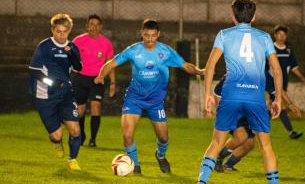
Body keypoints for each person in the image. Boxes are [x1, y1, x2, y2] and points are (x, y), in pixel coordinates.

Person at [186, 0, 283, 184]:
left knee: (216, 142)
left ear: (233, 16)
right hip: (255, 98)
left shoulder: (224, 35)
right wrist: (278, 99)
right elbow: (276, 70)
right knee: (266, 146)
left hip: (230, 95)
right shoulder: (265, 38)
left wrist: (208, 95)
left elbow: (210, 66)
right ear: (254, 17)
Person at [94, 19, 204, 174]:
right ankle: (136, 166)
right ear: (142, 34)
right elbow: (111, 63)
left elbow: (185, 65)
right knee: (127, 135)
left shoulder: (165, 52)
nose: (150, 39)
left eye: (153, 35)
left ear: (158, 34)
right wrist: (100, 75)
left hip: (155, 101)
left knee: (164, 137)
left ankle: (160, 155)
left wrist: (200, 71)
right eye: (146, 35)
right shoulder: (133, 51)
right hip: (134, 98)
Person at [213, 75, 302, 172]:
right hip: (232, 110)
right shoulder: (235, 71)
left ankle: (228, 166)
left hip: (249, 113)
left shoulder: (262, 73)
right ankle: (217, 157)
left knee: (249, 145)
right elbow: (217, 92)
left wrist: (290, 104)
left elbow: (277, 89)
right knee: (241, 136)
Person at [28, 13, 82, 170]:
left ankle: (72, 160)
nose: (61, 35)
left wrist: (71, 54)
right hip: (45, 96)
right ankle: (57, 143)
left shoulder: (72, 47)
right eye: (58, 31)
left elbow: (78, 68)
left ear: (69, 31)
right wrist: (52, 82)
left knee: (75, 129)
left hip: (66, 94)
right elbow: (34, 71)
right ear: (52, 30)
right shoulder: (44, 46)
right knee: (56, 136)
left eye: (64, 32)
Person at [72, 14, 115, 147]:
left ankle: (93, 140)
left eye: (97, 24)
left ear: (101, 27)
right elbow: (70, 59)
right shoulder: (78, 41)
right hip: (81, 78)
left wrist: (113, 83)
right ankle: (82, 135)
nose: (94, 27)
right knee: (80, 109)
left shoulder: (106, 43)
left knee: (96, 106)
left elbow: (111, 64)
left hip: (98, 79)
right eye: (91, 24)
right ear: (87, 26)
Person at [266, 25, 305, 139]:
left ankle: (253, 128)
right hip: (272, 82)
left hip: (284, 82)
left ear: (286, 36)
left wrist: (301, 77)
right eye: (279, 34)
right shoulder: (270, 49)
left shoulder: (288, 51)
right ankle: (291, 132)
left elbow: (294, 67)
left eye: (283, 35)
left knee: (271, 107)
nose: (281, 37)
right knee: (281, 105)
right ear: (275, 35)